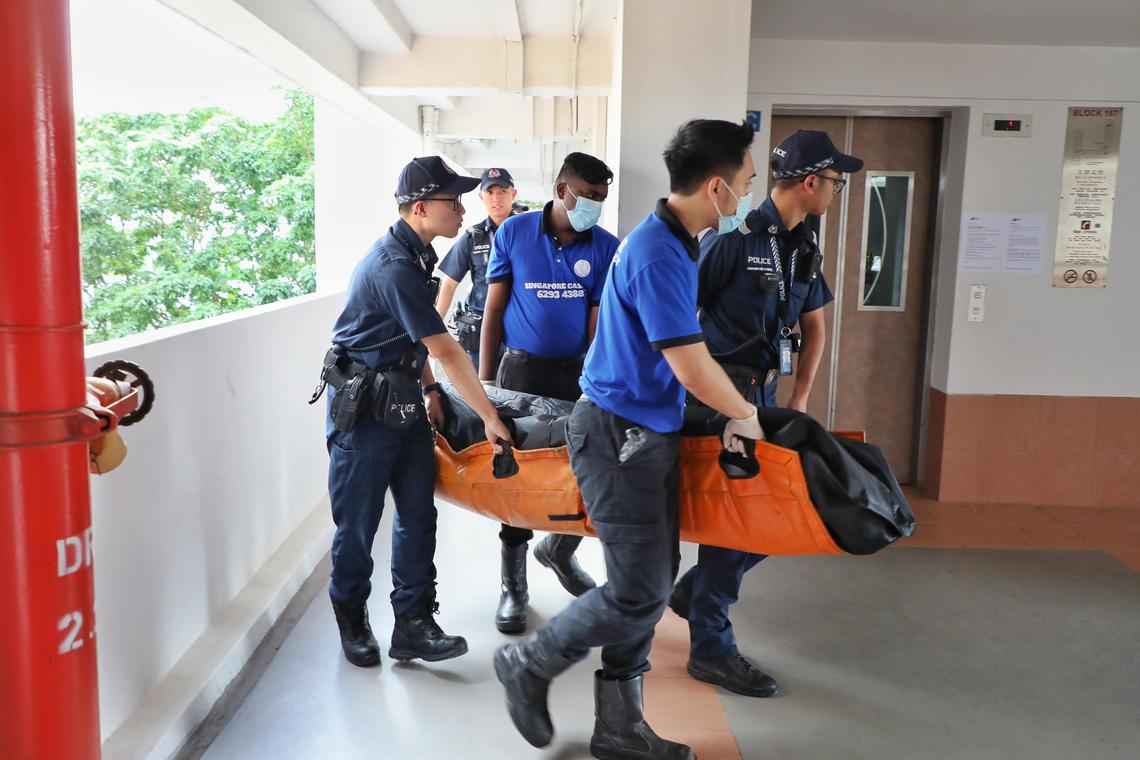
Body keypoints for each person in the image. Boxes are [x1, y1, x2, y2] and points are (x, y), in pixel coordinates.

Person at [494, 119, 764, 760]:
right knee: (640, 590)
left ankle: (619, 727)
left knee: (650, 577)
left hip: (648, 429)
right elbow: (689, 362)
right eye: (749, 184)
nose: (749, 197)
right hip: (619, 434)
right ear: (719, 187)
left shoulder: (677, 243)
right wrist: (743, 414)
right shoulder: (656, 252)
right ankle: (529, 662)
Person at [668, 129, 863, 697]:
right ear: (809, 182)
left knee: (769, 515)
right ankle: (711, 647)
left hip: (765, 396)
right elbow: (680, 315)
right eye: (834, 182)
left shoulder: (805, 247)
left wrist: (800, 399)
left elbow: (816, 325)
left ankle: (697, 593)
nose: (836, 191)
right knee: (734, 520)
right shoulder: (734, 239)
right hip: (717, 398)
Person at [319, 156, 513, 668]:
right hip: (363, 412)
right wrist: (490, 416)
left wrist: (429, 391)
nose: (462, 208)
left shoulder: (418, 255)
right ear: (421, 208)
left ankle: (413, 623)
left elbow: (410, 342)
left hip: (403, 401)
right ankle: (352, 619)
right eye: (452, 201)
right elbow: (446, 348)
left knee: (417, 515)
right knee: (358, 524)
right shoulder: (394, 267)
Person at [478, 152, 620, 634]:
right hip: (520, 373)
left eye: (602, 198)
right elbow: (494, 310)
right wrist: (486, 384)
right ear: (562, 190)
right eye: (589, 195)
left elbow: (600, 324)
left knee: (581, 472)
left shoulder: (605, 246)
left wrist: (601, 383)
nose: (595, 205)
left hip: (577, 375)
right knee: (515, 478)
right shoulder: (514, 234)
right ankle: (513, 588)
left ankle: (559, 551)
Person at [435, 168, 517, 371]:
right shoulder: (473, 237)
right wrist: (435, 332)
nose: (496, 198)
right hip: (482, 330)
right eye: (490, 192)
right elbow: (449, 285)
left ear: (513, 194)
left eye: (502, 191)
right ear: (481, 196)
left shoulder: (530, 233)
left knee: (517, 388)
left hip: (519, 326)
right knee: (483, 388)